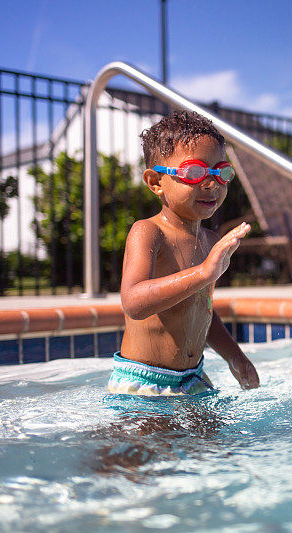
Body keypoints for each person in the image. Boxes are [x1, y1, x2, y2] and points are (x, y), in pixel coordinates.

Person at [107, 110, 259, 396]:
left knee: (217, 440)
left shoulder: (211, 241)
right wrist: (203, 272)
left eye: (220, 172)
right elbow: (134, 302)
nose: (211, 183)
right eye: (194, 172)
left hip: (193, 378)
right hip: (145, 380)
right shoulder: (149, 232)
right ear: (156, 182)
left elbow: (202, 311)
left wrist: (234, 356)